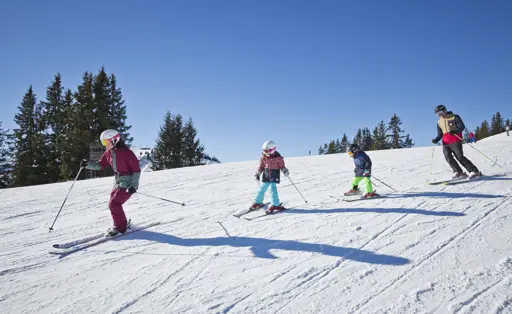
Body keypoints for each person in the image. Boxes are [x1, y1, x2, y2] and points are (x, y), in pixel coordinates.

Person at [82, 129, 141, 236]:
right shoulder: (108, 153)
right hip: (118, 181)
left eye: (105, 142)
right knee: (113, 203)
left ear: (114, 140)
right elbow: (100, 165)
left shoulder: (127, 153)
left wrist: (134, 186)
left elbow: (136, 170)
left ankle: (120, 228)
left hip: (127, 182)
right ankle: (121, 224)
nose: (104, 145)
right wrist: (87, 165)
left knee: (114, 203)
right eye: (102, 142)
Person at [432, 105, 481, 179]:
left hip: (455, 140)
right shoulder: (439, 122)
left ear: (445, 110)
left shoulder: (454, 117)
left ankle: (474, 171)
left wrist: (455, 130)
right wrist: (436, 139)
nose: (440, 115)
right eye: (438, 114)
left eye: (441, 112)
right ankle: (458, 172)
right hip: (445, 142)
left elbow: (462, 126)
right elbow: (440, 134)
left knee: (460, 157)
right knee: (448, 157)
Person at [251, 140, 289, 214]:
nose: (265, 152)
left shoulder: (278, 157)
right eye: (264, 151)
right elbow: (261, 167)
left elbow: (282, 167)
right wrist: (258, 173)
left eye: (266, 151)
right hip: (266, 175)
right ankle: (258, 202)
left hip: (274, 175)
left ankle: (275, 204)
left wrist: (285, 171)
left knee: (273, 190)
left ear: (272, 150)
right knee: (262, 189)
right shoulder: (263, 157)